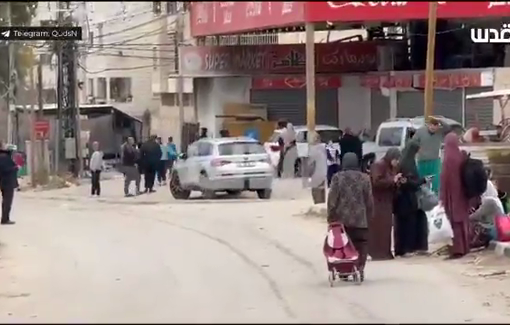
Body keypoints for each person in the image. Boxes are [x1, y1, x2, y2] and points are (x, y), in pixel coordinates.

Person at [327, 152, 373, 281]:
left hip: (342, 220)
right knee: (361, 244)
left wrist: (331, 217)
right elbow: (369, 200)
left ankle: (344, 270)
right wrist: (369, 216)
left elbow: (332, 200)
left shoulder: (337, 178)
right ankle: (359, 267)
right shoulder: (365, 178)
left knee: (343, 246)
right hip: (360, 220)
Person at [393, 140, 429, 257]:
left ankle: (402, 248)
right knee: (408, 224)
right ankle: (407, 248)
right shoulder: (409, 164)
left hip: (401, 199)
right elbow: (409, 182)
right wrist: (422, 181)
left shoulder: (403, 162)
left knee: (402, 224)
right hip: (407, 198)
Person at [440, 132, 471, 259]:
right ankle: (465, 247)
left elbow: (445, 179)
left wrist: (442, 197)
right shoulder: (460, 155)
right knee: (462, 220)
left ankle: (457, 249)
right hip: (462, 194)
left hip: (451, 195)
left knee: (453, 222)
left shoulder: (448, 158)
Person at [369, 147, 401, 260]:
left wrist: (397, 182)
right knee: (379, 228)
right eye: (396, 159)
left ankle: (385, 252)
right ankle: (377, 253)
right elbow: (376, 182)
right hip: (378, 202)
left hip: (386, 201)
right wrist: (392, 180)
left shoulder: (390, 167)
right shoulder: (379, 165)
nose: (397, 162)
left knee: (386, 228)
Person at [413, 116, 451, 194]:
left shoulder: (439, 132)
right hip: (422, 160)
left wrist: (440, 120)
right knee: (422, 181)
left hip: (434, 160)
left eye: (436, 125)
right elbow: (413, 143)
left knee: (436, 181)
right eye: (432, 125)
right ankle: (422, 197)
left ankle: (435, 197)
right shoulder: (420, 131)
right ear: (428, 125)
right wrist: (417, 150)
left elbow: (448, 128)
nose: (433, 127)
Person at [469, 180, 505, 249]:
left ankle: (474, 243)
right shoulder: (495, 199)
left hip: (495, 232)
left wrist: (464, 218)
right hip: (497, 229)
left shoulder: (489, 201)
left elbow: (476, 216)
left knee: (474, 224)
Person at [0, 142, 18, 225]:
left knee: (6, 201)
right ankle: (5, 218)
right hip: (7, 181)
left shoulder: (5, 156)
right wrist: (14, 168)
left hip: (4, 181)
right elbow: (6, 169)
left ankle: (5, 218)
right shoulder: (4, 157)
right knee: (7, 201)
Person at [307, 131, 327, 204]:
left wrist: (309, 173)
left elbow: (311, 163)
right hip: (323, 172)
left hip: (316, 173)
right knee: (322, 188)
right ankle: (322, 203)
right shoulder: (323, 147)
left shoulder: (313, 149)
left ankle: (317, 203)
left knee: (316, 189)